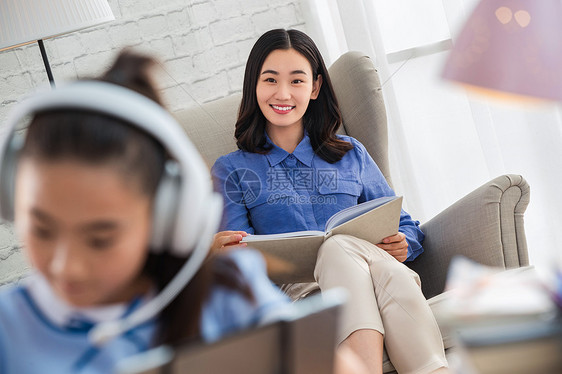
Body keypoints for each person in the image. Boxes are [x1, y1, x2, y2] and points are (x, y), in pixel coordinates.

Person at [0, 51, 290, 373]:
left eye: (99, 239)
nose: (67, 267)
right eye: (42, 230)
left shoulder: (230, 295)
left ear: (167, 216)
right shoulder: (7, 328)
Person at [212, 29, 450, 374]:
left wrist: (403, 244)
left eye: (296, 80)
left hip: (375, 277)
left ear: (314, 87)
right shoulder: (231, 170)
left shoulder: (351, 153)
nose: (282, 93)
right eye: (270, 80)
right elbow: (243, 263)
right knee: (352, 256)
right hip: (304, 299)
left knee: (362, 257)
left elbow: (404, 226)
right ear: (255, 86)